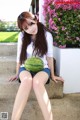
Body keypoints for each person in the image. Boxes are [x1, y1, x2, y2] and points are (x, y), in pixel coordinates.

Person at [9, 11, 64, 120]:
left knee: (37, 82)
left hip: (43, 68)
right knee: (27, 80)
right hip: (26, 67)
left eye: (31, 23)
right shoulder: (22, 36)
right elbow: (19, 56)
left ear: (35, 19)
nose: (30, 29)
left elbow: (49, 57)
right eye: (26, 28)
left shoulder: (46, 35)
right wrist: (17, 73)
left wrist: (52, 75)